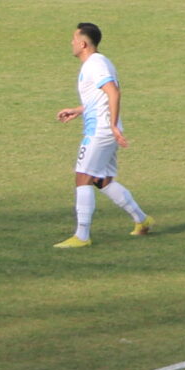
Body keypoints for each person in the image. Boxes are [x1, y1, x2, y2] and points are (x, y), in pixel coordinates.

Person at [54, 22, 152, 247]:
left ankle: (82, 236)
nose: (71, 43)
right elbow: (99, 98)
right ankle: (142, 219)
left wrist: (113, 125)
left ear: (83, 43)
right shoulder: (95, 64)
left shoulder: (95, 65)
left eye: (73, 39)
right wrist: (78, 110)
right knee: (101, 180)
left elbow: (113, 92)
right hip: (101, 126)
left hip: (100, 130)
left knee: (83, 176)